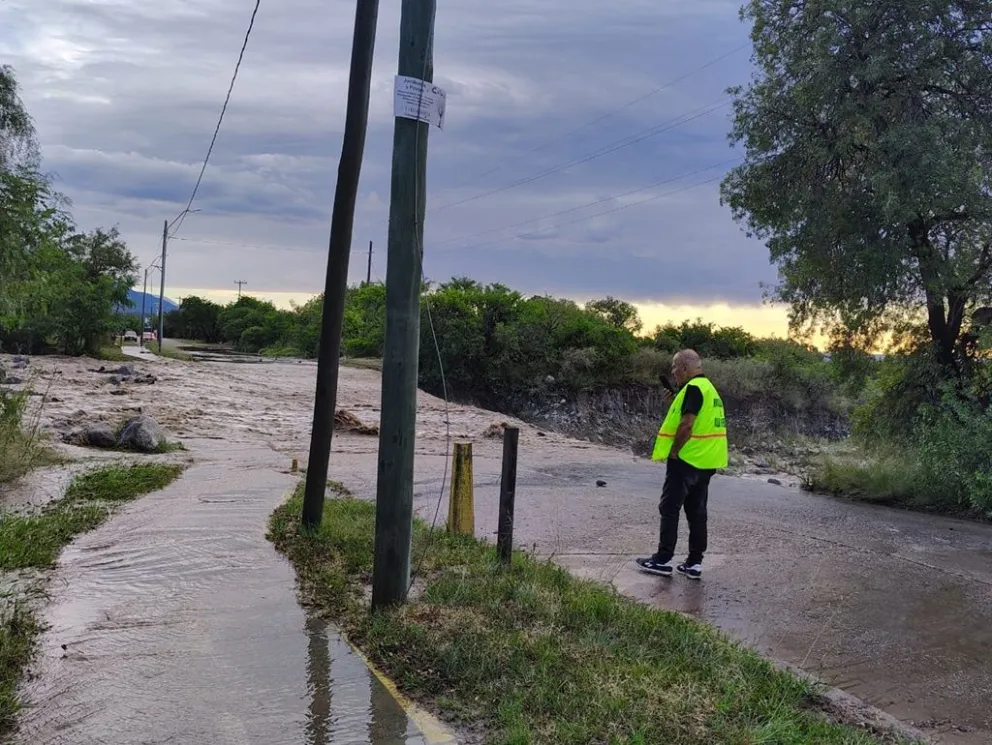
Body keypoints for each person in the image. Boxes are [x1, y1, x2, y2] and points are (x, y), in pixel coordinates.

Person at [636, 349, 727, 580]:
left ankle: (662, 559)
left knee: (669, 508)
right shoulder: (709, 389)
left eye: (675, 368)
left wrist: (674, 451)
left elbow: (687, 425)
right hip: (706, 462)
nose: (672, 373)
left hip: (686, 460)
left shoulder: (694, 388)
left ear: (685, 368)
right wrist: (675, 402)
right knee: (697, 513)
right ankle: (694, 564)